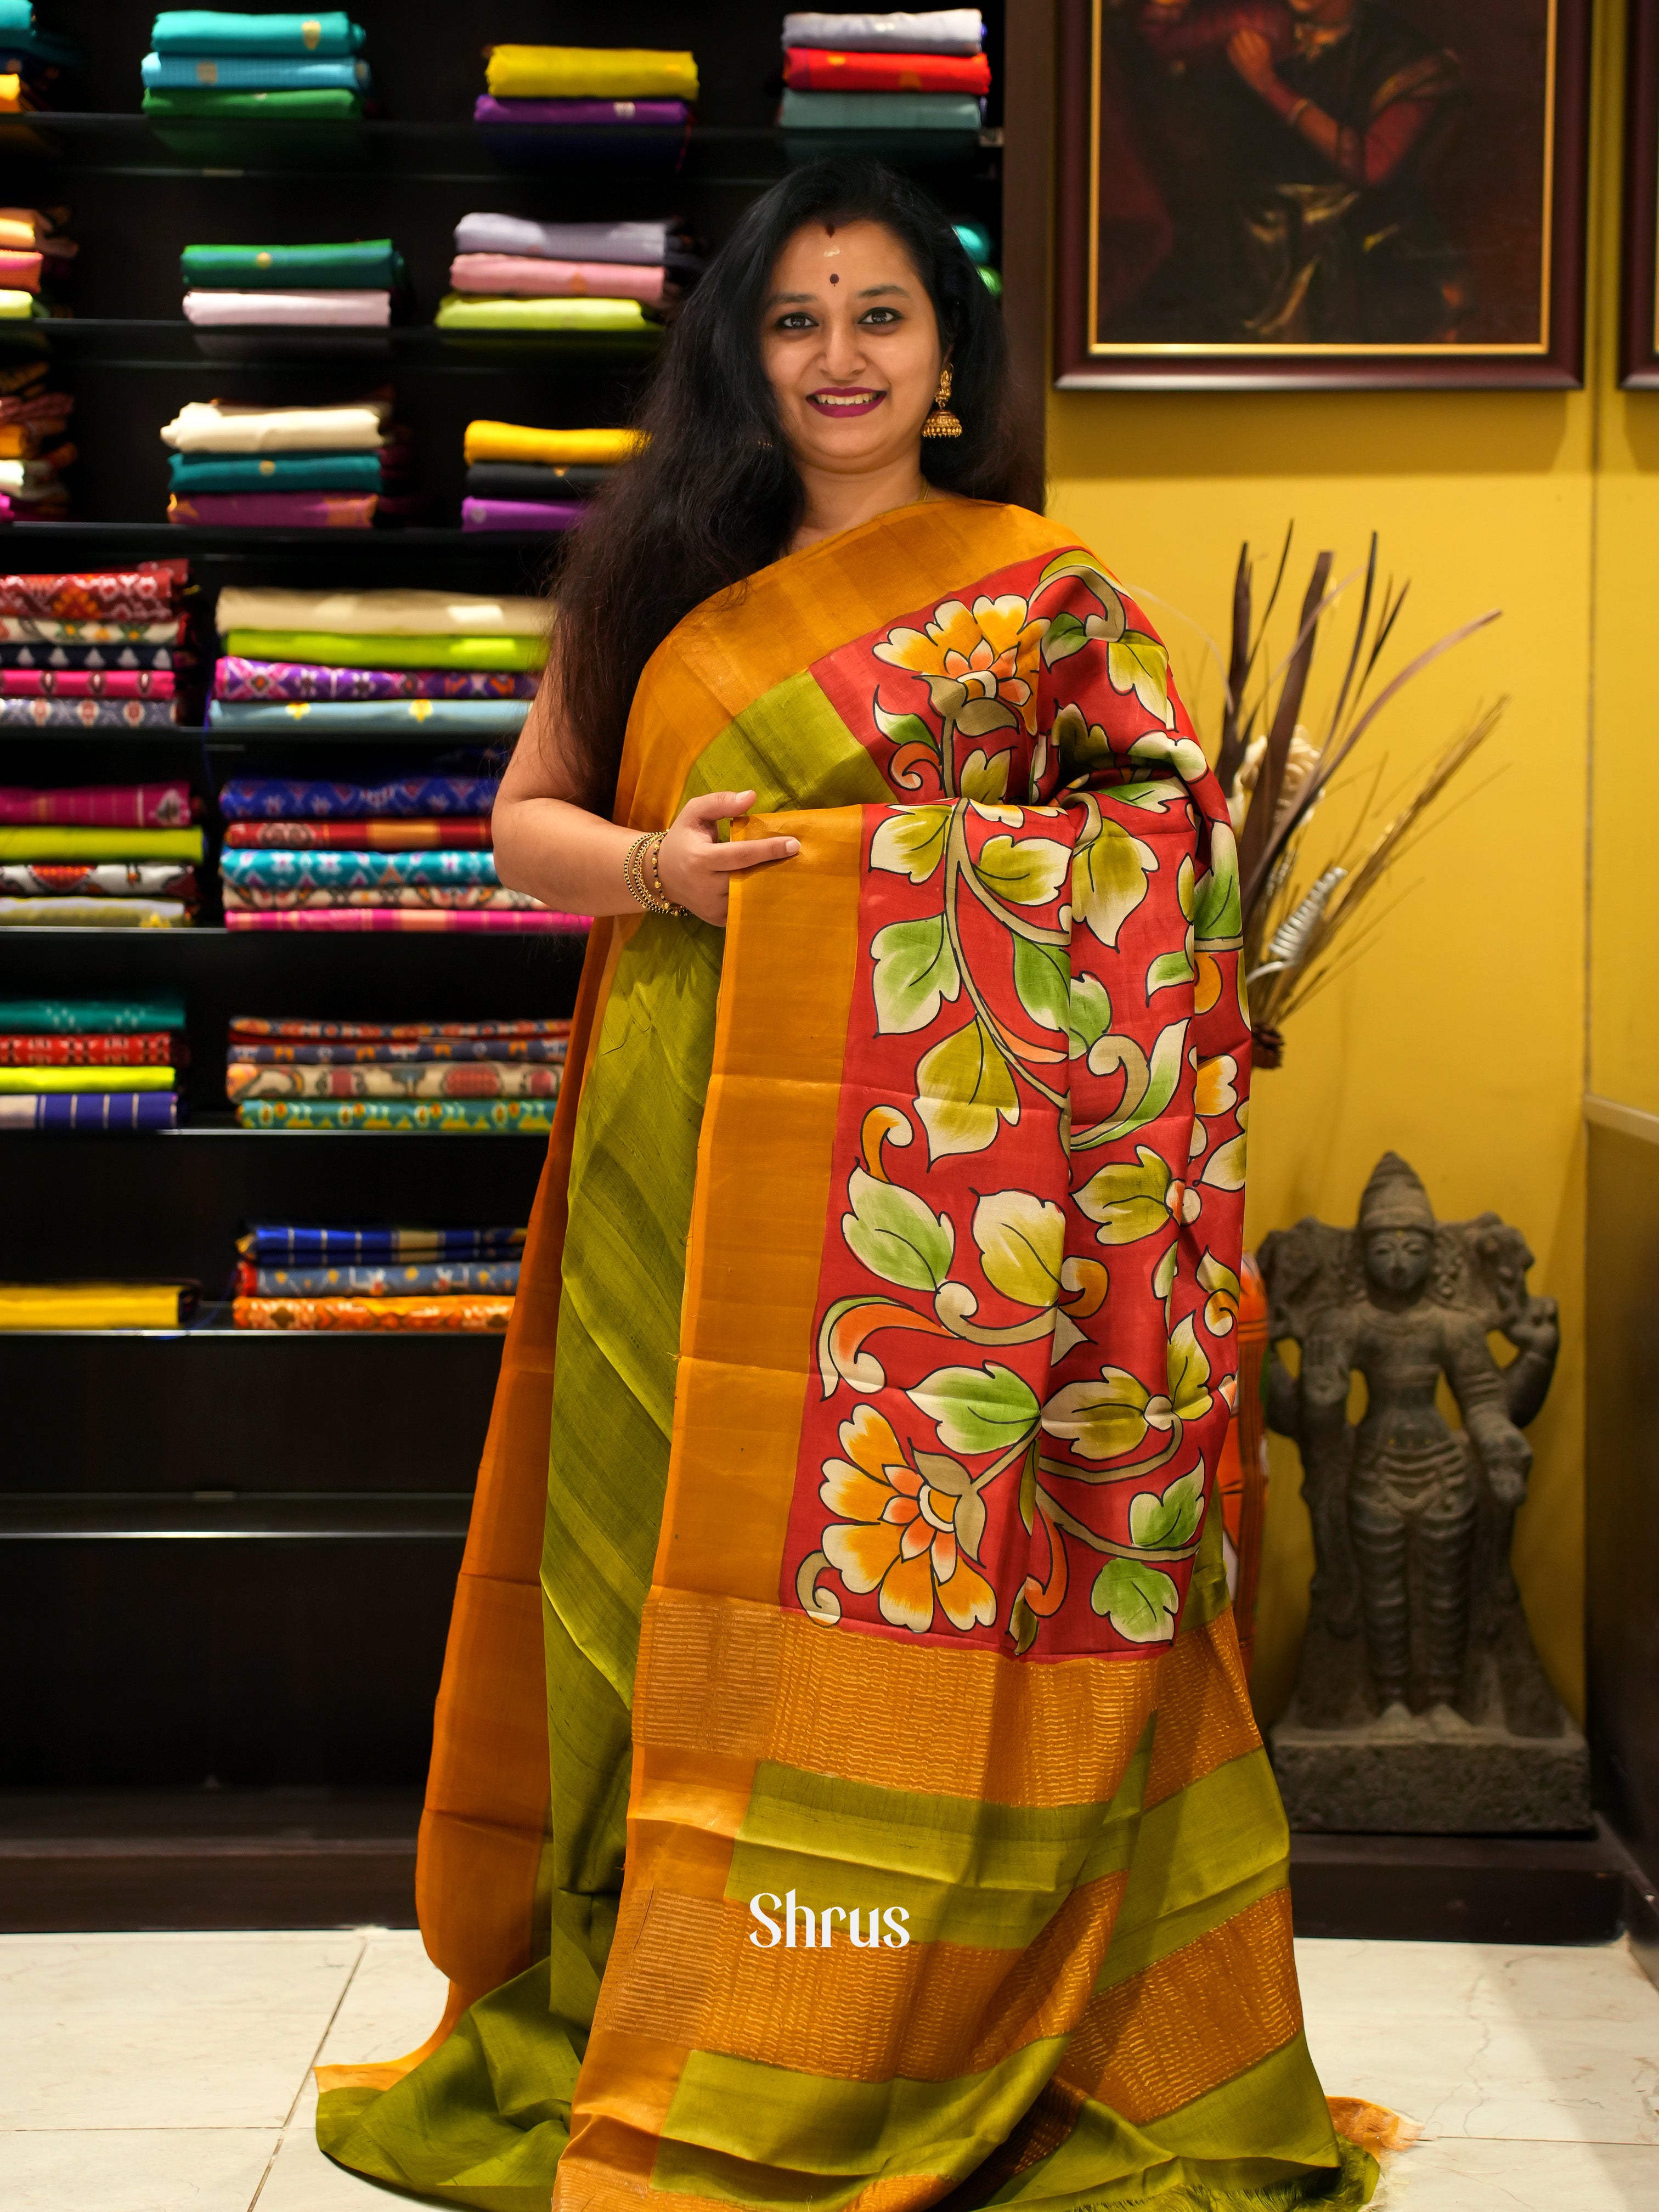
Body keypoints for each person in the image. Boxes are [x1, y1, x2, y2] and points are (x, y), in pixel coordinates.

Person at [315, 155, 1383, 2211]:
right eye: (794, 318)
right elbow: (522, 827)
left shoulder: (1044, 591)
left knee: (934, 1597)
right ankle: (657, 1984)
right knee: (650, 1604)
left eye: (877, 315)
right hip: (678, 1148)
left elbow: (1168, 860)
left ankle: (898, 1996)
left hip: (942, 1237)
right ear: (741, 350)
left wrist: (896, 880)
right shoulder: (653, 580)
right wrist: (662, 870)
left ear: (946, 354)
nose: (835, 357)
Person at [1120, 0, 1464, 343]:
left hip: (1351, 246)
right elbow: (1156, 40)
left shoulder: (1405, 55)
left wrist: (1269, 86)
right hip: (1248, 240)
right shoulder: (1256, 24)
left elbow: (1370, 165)